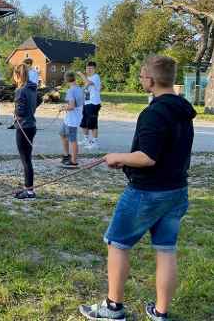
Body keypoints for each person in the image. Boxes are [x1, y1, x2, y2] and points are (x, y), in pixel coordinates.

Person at [79, 55, 195, 321]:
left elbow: (148, 157)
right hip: (176, 191)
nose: (142, 79)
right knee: (166, 249)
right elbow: (163, 152)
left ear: (152, 81)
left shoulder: (153, 113)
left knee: (118, 244)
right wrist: (127, 161)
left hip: (147, 192)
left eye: (143, 76)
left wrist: (118, 157)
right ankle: (160, 312)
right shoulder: (183, 110)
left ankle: (113, 307)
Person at [12, 63, 38, 199]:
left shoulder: (20, 90)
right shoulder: (33, 88)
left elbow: (20, 111)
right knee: (27, 159)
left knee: (26, 160)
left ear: (18, 75)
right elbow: (35, 104)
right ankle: (28, 188)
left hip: (23, 127)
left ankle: (29, 191)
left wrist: (16, 112)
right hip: (31, 125)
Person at [59, 71, 84, 167]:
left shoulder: (71, 90)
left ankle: (74, 161)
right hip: (70, 118)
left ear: (66, 80)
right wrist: (67, 106)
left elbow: (72, 106)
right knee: (62, 133)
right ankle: (66, 155)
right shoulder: (79, 88)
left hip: (72, 119)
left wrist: (63, 108)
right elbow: (75, 103)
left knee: (72, 140)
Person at [78, 61, 102, 149]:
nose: (88, 70)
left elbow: (88, 83)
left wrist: (81, 74)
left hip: (94, 103)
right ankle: (86, 139)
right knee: (84, 122)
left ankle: (95, 143)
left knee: (93, 123)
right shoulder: (88, 78)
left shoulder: (96, 77)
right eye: (87, 68)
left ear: (94, 69)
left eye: (90, 68)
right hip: (87, 103)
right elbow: (85, 88)